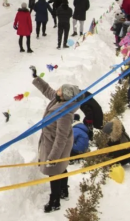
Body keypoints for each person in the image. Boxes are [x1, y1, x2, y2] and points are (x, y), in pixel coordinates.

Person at [29, 65, 81, 213]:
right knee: (62, 168)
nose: (56, 91)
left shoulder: (64, 112)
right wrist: (36, 78)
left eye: (60, 90)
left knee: (54, 172)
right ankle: (64, 191)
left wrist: (53, 157)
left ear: (65, 96)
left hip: (56, 145)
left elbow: (61, 137)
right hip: (51, 141)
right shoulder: (58, 100)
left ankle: (55, 201)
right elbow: (48, 90)